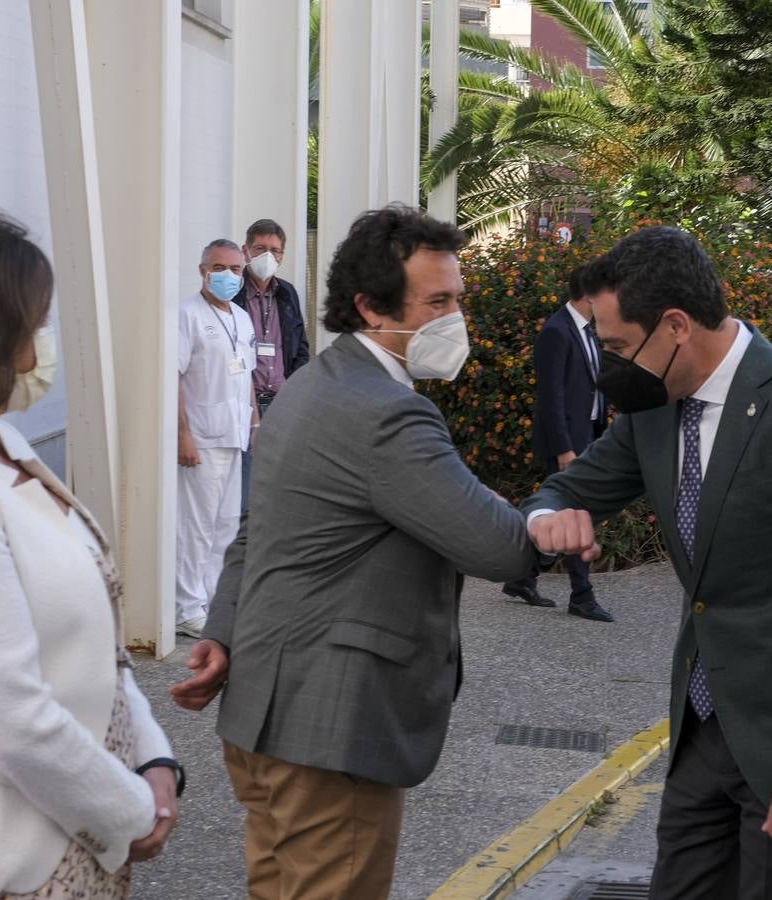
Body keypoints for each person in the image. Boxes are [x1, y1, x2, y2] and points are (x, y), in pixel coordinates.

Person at [523, 227, 772, 899]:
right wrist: (549, 516)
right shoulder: (652, 411)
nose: (609, 365)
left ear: (674, 325)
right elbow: (566, 488)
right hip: (706, 727)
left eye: (615, 346)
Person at [171, 205, 538, 899]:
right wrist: (542, 515)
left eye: (457, 299)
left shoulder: (312, 385)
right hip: (330, 739)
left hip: (262, 715)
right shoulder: (388, 412)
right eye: (438, 302)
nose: (455, 318)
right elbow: (499, 547)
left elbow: (258, 526)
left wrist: (220, 629)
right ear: (371, 307)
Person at [0, 206, 181, 897]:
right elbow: (12, 714)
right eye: (35, 321)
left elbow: (97, 637)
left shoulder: (6, 446)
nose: (41, 344)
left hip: (82, 824)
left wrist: (155, 758)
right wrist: (131, 812)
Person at [502, 263, 613, 621]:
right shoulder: (556, 331)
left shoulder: (588, 331)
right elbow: (551, 397)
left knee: (568, 512)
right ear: (589, 296)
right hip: (566, 441)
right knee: (574, 512)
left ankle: (521, 577)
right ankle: (582, 595)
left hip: (589, 434)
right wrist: (564, 448)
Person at [175, 239, 260, 638]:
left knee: (226, 524)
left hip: (235, 432)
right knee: (196, 526)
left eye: (236, 269)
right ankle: (185, 606)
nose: (227, 275)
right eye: (219, 267)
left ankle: (210, 600)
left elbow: (246, 376)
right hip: (202, 437)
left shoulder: (242, 318)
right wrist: (183, 435)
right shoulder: (186, 315)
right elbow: (173, 376)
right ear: (202, 270)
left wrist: (254, 423)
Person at [232, 218, 310, 513]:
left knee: (278, 487)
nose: (268, 256)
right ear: (245, 251)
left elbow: (300, 346)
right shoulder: (233, 294)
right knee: (243, 492)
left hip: (280, 403)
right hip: (243, 405)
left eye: (275, 250)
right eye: (260, 248)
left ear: (282, 256)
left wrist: (295, 388)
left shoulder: (287, 293)